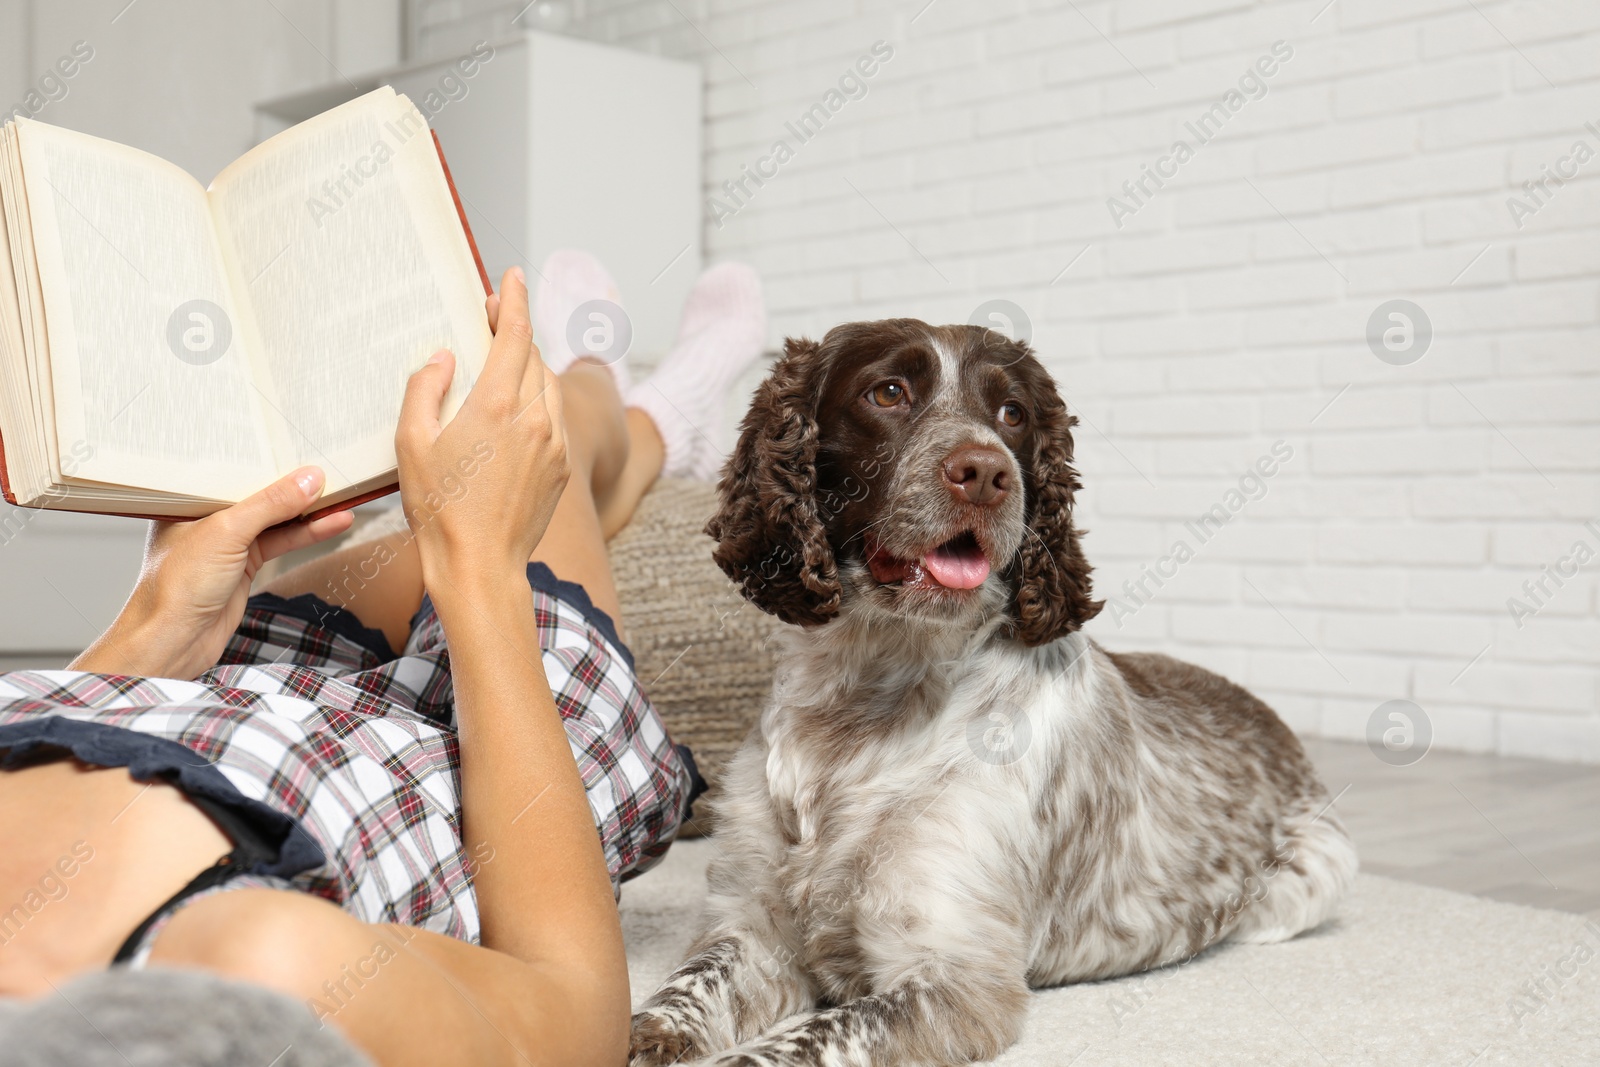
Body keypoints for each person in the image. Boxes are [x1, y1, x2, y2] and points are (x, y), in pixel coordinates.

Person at [0, 253, 767, 1066]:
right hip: (494, 747)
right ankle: (626, 403)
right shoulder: (243, 986)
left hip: (186, 693)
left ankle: (637, 427)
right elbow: (578, 1021)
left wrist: (153, 628)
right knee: (534, 461)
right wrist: (479, 565)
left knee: (508, 490)